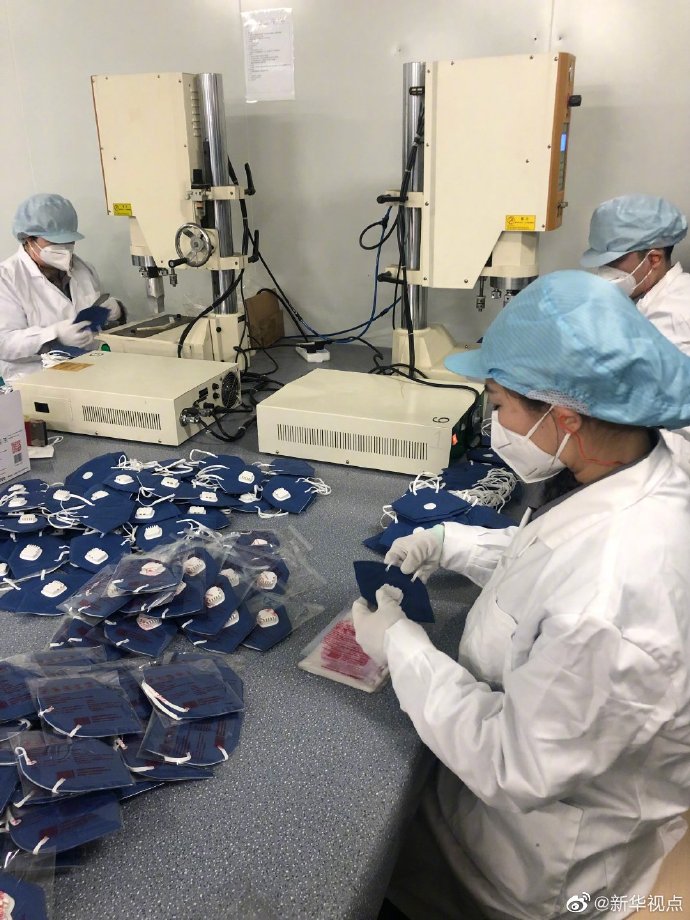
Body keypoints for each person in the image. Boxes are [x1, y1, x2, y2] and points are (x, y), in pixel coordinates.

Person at [353, 270, 690, 920]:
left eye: (501, 405)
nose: (494, 426)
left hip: (528, 867)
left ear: (565, 416)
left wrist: (403, 649)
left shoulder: (611, 597)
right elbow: (550, 569)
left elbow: (516, 763)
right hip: (534, 785)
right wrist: (450, 543)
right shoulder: (632, 468)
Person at [581, 193, 690, 472]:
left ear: (653, 258)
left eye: (614, 262)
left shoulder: (673, 315)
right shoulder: (653, 298)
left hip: (675, 461)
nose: (604, 272)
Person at [0, 193, 124, 382]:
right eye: (54, 242)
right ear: (29, 239)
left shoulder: (83, 268)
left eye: (69, 241)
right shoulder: (7, 278)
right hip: (34, 379)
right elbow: (4, 342)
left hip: (90, 370)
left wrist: (116, 311)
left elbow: (98, 325)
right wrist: (53, 335)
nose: (64, 248)